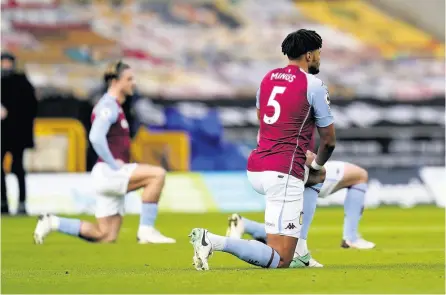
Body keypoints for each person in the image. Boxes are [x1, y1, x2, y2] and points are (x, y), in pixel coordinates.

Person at [188, 29, 336, 270]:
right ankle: (212, 241)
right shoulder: (314, 85)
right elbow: (328, 140)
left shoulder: (268, 78)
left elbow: (262, 117)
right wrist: (315, 161)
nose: (320, 57)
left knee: (317, 177)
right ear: (309, 55)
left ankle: (302, 250)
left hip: (257, 166)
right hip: (283, 172)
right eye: (318, 52)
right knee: (281, 259)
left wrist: (312, 167)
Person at [33, 61, 175, 244]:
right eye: (129, 79)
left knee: (105, 235)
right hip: (109, 172)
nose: (134, 83)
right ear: (115, 81)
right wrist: (113, 163)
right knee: (157, 175)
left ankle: (52, 222)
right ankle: (146, 230)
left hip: (106, 174)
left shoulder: (116, 106)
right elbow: (95, 137)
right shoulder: (108, 106)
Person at [226, 157, 376, 268]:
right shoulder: (297, 115)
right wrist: (316, 162)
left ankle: (244, 224)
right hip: (297, 164)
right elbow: (327, 138)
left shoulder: (265, 115)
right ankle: (351, 238)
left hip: (269, 167)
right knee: (359, 175)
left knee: (282, 229)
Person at [1, 52, 38, 215]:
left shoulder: (22, 82)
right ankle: (3, 203)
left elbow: (31, 107)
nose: (6, 65)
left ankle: (22, 202)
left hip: (17, 135)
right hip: (2, 134)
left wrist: (12, 113)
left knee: (18, 168)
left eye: (8, 62)